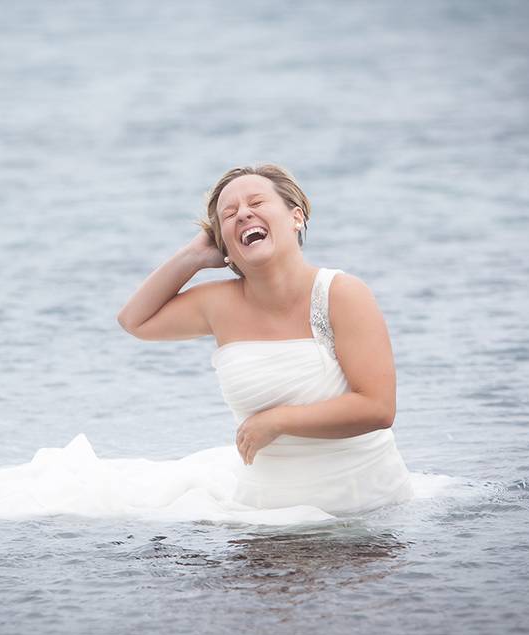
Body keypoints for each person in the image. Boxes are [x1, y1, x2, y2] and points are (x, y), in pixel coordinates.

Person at [116, 164, 413, 513]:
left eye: (256, 202)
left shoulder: (341, 293)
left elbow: (378, 408)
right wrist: (194, 257)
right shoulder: (217, 304)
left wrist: (277, 421)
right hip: (264, 514)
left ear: (296, 217)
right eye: (229, 214)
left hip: (363, 508)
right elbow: (134, 320)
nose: (243, 213)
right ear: (223, 243)